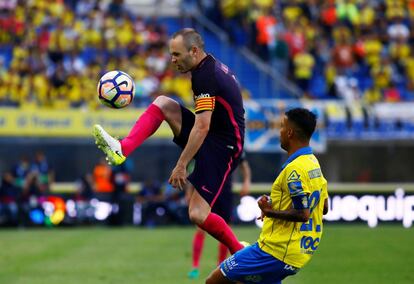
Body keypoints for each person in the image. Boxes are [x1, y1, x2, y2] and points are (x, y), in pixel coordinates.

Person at [93, 28, 246, 254]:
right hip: (214, 136)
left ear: (194, 51)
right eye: (171, 54)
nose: (172, 60)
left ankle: (238, 251)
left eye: (176, 54)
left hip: (224, 146)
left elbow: (202, 126)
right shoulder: (207, 67)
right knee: (163, 103)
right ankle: (122, 148)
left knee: (197, 214)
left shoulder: (205, 76)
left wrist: (182, 164)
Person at [206, 108, 329, 284]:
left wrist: (269, 211)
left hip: (275, 252)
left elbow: (303, 214)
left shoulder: (295, 169)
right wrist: (274, 203)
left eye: (281, 126)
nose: (279, 131)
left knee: (214, 281)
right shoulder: (313, 163)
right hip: (299, 252)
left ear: (290, 132)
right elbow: (323, 207)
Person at [187, 152, 251, 279]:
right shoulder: (206, 142)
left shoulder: (232, 140)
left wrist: (246, 181)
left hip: (225, 191)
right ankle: (195, 267)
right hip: (205, 188)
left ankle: (220, 266)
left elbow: (244, 165)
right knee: (200, 226)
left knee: (225, 228)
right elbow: (194, 170)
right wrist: (189, 191)